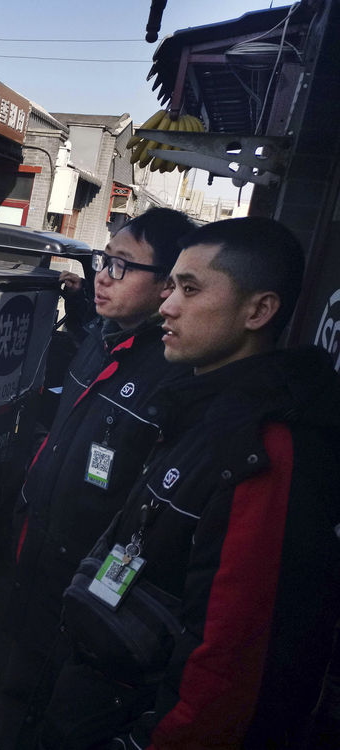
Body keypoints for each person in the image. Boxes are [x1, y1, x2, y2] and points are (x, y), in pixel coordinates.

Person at [38, 217, 340, 749]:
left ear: (259, 311)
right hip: (94, 688)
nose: (168, 306)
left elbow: (228, 665)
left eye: (190, 289)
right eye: (171, 286)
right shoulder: (200, 406)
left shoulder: (264, 449)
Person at [0, 208, 196, 749]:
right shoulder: (100, 337)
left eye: (121, 266)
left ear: (167, 285)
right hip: (37, 554)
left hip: (88, 588)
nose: (103, 276)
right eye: (103, 261)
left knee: (52, 710)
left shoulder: (174, 373)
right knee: (15, 688)